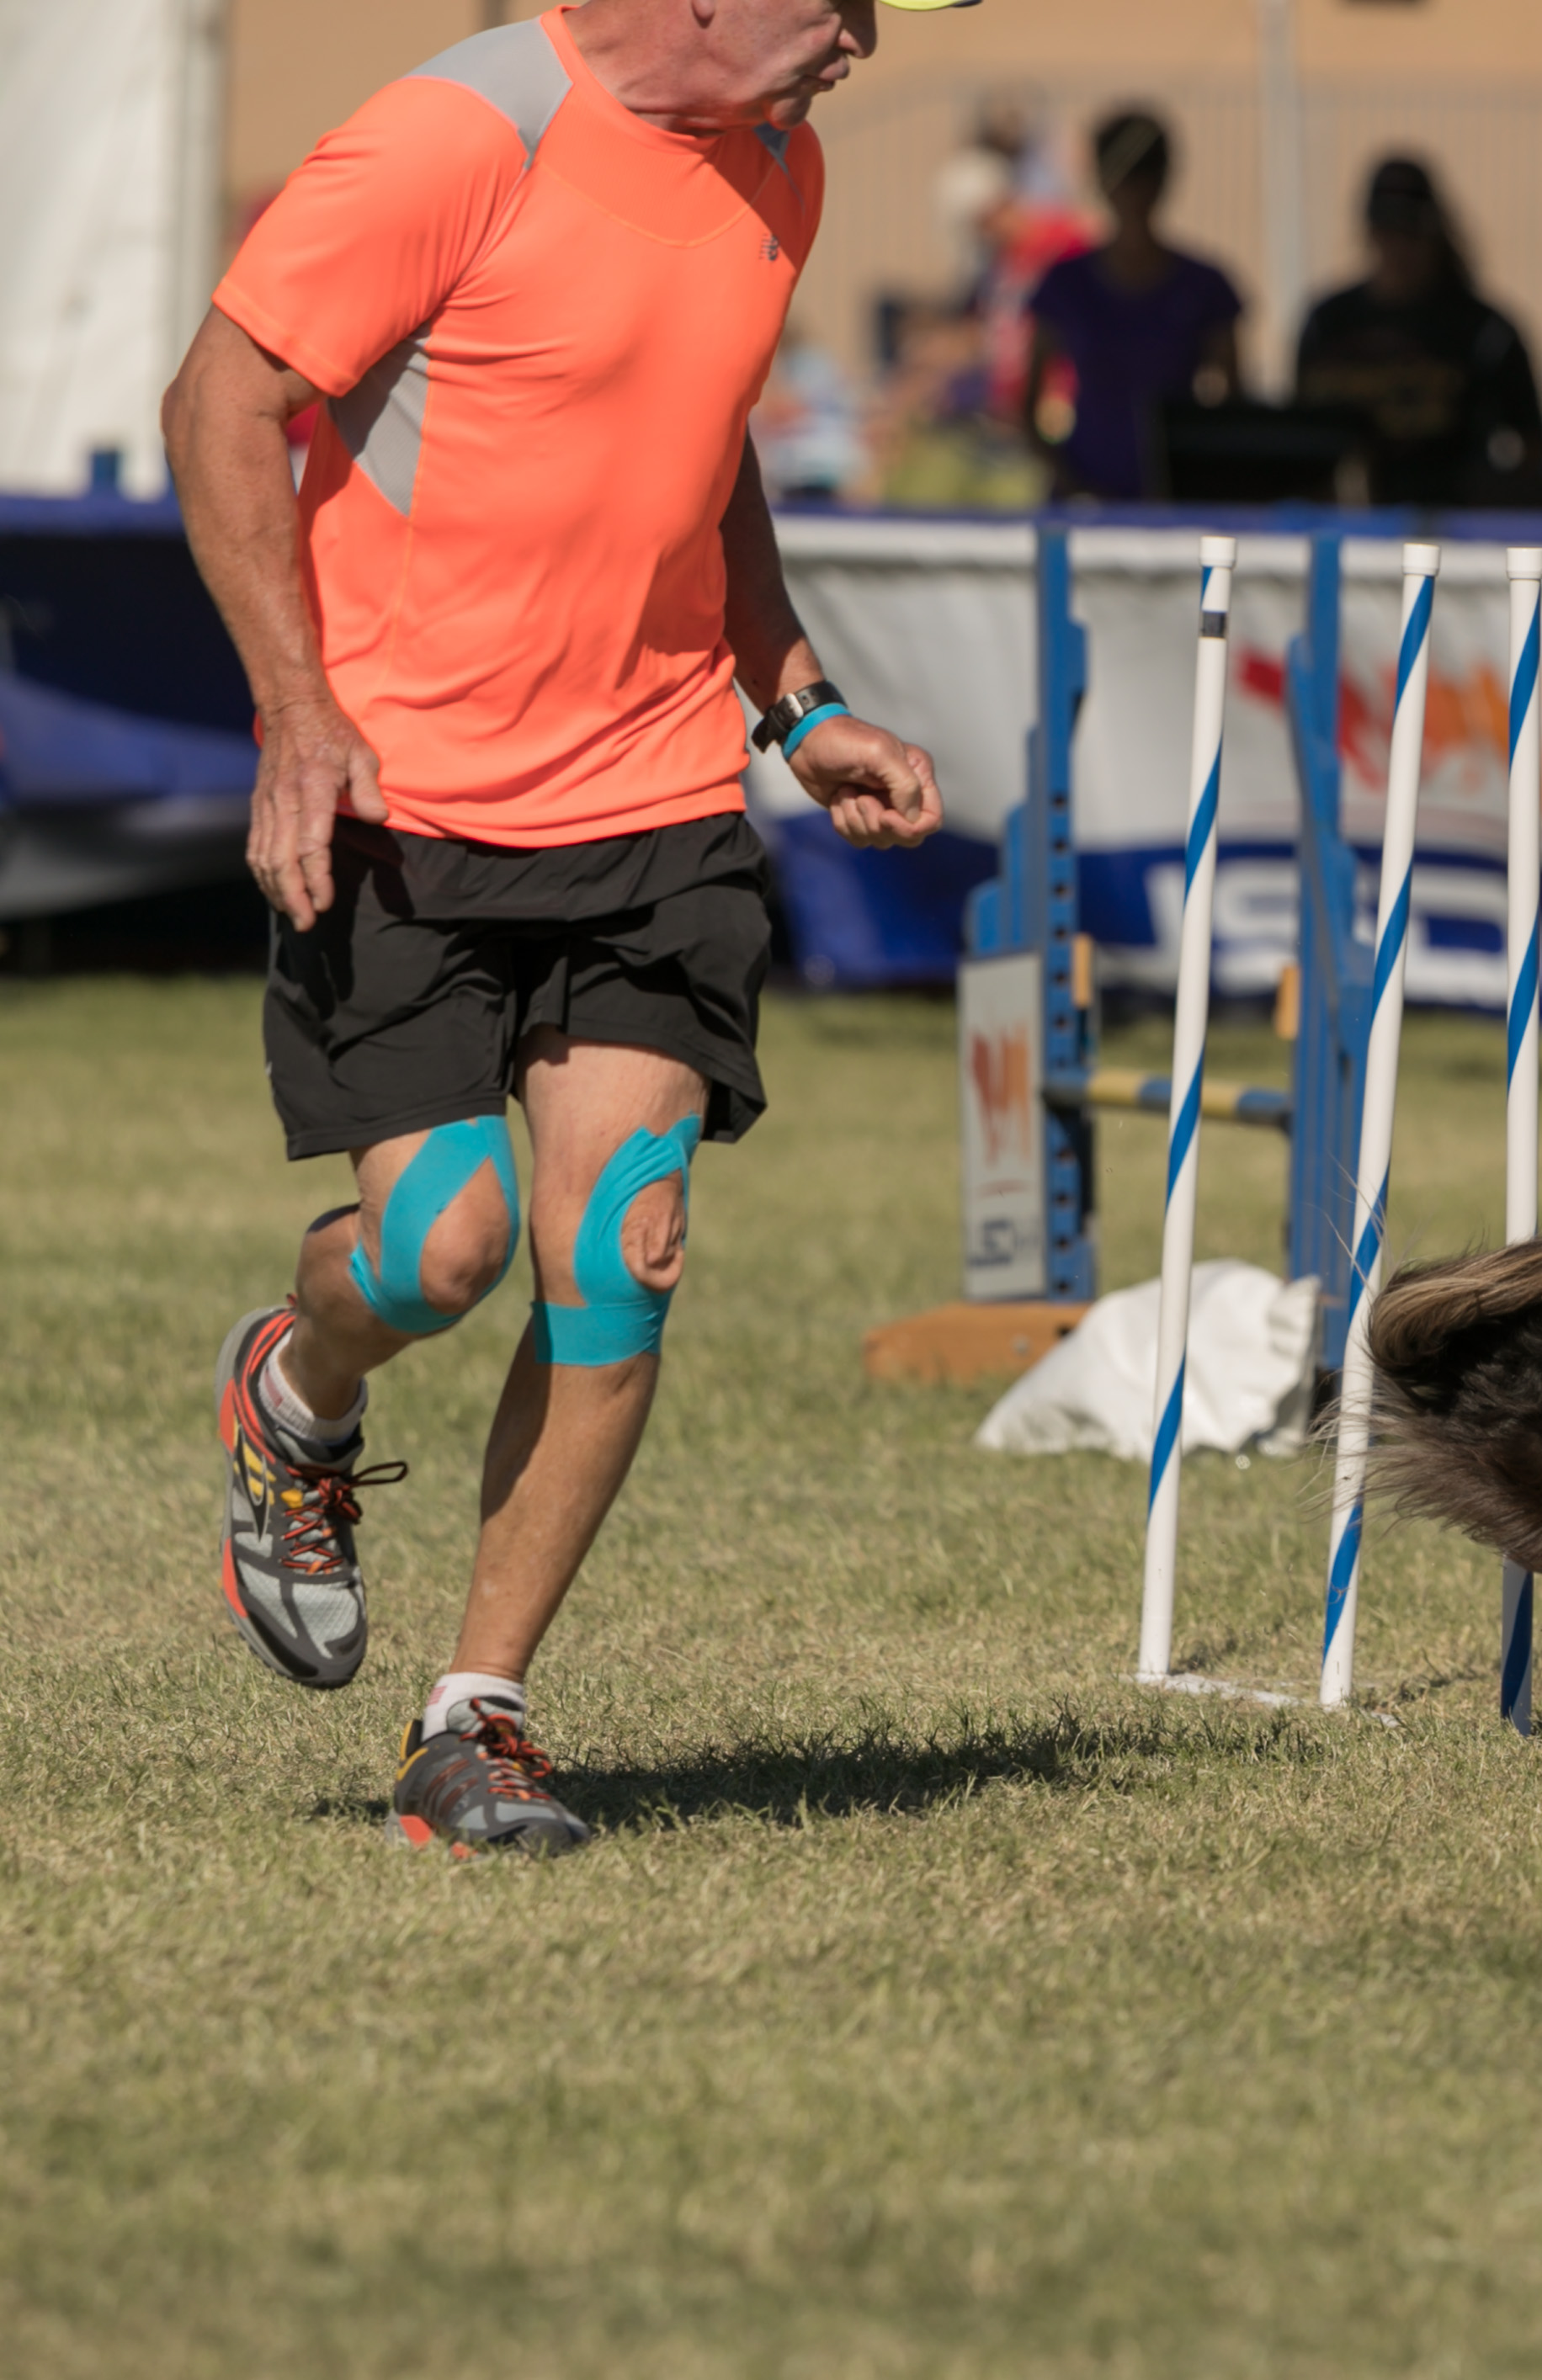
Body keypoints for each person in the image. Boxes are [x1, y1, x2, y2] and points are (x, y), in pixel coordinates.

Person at [162, 0, 955, 1859]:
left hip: (657, 797)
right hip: (403, 804)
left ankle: (477, 1721)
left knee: (624, 1246)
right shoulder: (465, 131)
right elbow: (220, 399)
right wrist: (297, 709)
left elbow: (703, 441)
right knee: (441, 1249)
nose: (861, 38)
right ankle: (295, 1388)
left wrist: (796, 697)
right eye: (838, 1)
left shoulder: (784, 162)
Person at [1295, 156, 1542, 512]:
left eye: (1411, 232)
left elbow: (1532, 447)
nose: (1399, 247)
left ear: (1436, 234)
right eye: (1388, 230)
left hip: (1454, 527)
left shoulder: (1485, 333)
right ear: (1369, 233)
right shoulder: (1326, 324)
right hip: (1349, 525)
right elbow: (1297, 439)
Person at [1022, 109, 1246, 503]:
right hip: (1082, 510)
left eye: (1146, 172)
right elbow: (1026, 408)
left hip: (1175, 509)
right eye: (1122, 172)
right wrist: (1076, 489)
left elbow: (1233, 412)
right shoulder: (1064, 284)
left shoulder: (1205, 288)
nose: (1134, 189)